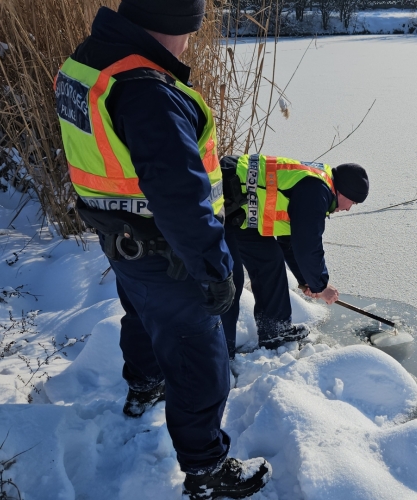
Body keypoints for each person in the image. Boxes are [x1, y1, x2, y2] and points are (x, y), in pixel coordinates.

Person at [54, 1, 270, 498]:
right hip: (167, 250)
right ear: (170, 26)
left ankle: (144, 386)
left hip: (121, 237)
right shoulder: (147, 90)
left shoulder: (91, 61)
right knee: (200, 357)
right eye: (190, 32)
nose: (190, 45)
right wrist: (215, 270)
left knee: (142, 315)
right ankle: (206, 470)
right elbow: (179, 198)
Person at [219, 154, 369, 353]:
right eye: (353, 202)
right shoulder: (316, 192)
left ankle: (274, 332)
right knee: (228, 282)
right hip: (222, 201)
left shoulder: (318, 185)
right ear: (343, 192)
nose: (349, 209)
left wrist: (307, 281)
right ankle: (220, 353)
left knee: (270, 260)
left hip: (239, 212)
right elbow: (307, 246)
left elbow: (289, 241)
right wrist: (320, 285)